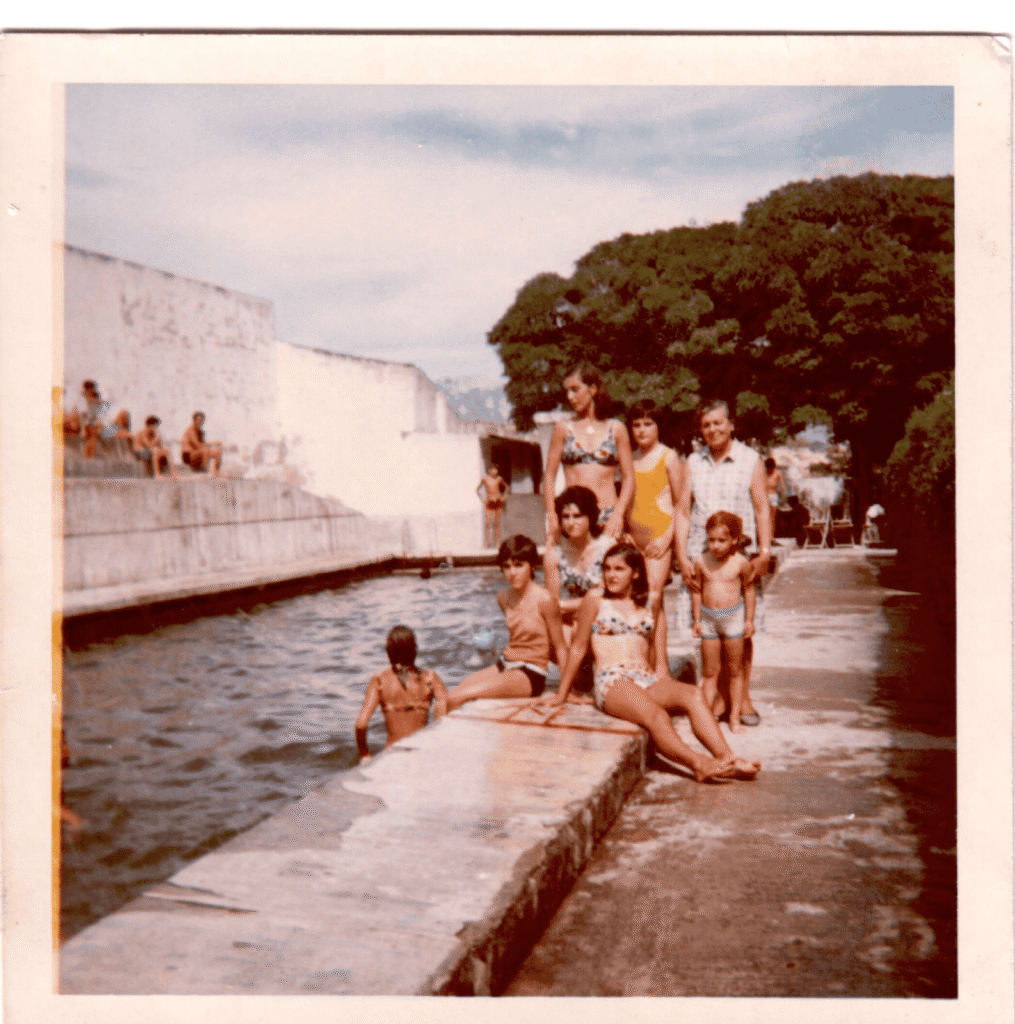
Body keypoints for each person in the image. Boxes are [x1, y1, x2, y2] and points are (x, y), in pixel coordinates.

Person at [533, 543, 760, 783]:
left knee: (693, 694)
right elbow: (578, 648)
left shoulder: (650, 601)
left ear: (636, 572)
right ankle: (699, 764)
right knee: (657, 715)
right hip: (611, 681)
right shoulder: (595, 600)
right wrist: (562, 692)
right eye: (607, 569)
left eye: (619, 569)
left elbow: (657, 647)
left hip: (645, 677)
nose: (611, 575)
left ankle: (728, 758)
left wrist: (662, 676)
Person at [675, 399, 771, 727]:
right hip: (703, 557)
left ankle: (742, 699)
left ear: (731, 424)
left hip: (739, 557)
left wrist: (765, 551)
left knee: (741, 630)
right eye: (706, 425)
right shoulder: (693, 462)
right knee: (709, 633)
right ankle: (716, 699)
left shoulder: (750, 460)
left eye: (718, 423)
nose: (712, 430)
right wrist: (681, 555)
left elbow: (761, 508)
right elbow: (684, 511)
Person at [446, 535, 570, 710]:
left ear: (533, 566)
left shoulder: (545, 600)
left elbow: (560, 647)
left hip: (530, 673)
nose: (512, 573)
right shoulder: (503, 598)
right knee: (448, 698)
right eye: (507, 566)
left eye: (519, 565)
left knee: (459, 698)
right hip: (504, 663)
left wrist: (565, 692)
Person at [543, 363, 635, 544]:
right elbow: (549, 477)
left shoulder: (616, 429)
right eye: (567, 391)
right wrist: (552, 516)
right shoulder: (563, 429)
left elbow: (629, 478)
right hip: (573, 517)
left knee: (611, 571)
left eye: (575, 389)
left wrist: (618, 514)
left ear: (592, 389)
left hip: (608, 516)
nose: (570, 397)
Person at [691, 511, 756, 733]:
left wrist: (749, 620)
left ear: (734, 540)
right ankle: (706, 718)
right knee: (710, 671)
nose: (716, 546)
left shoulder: (741, 563)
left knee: (735, 669)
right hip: (709, 620)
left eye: (721, 540)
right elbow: (697, 591)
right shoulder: (701, 562)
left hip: (733, 619)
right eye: (711, 540)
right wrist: (697, 619)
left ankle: (734, 717)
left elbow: (749, 590)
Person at [626, 400, 684, 648]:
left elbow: (681, 504)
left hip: (659, 538)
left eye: (648, 424)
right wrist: (626, 532)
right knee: (640, 602)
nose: (641, 430)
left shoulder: (668, 457)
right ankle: (658, 664)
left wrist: (667, 538)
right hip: (633, 539)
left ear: (658, 426)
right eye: (636, 425)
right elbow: (626, 498)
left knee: (652, 598)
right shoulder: (628, 458)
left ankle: (644, 656)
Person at [355, 625, 449, 760]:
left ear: (389, 652)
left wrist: (365, 755)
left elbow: (361, 725)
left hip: (391, 755)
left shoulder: (379, 681)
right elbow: (445, 715)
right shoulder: (430, 678)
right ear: (414, 650)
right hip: (422, 753)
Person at [477, 464, 510, 549]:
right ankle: (485, 544)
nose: (496, 471)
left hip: (498, 502)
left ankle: (497, 543)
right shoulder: (485, 479)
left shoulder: (499, 479)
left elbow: (507, 487)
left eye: (496, 469)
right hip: (489, 503)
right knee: (487, 523)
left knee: (497, 524)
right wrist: (482, 500)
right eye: (494, 469)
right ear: (489, 470)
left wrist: (503, 498)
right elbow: (477, 490)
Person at [180, 411, 222, 476]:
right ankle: (207, 471)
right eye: (199, 420)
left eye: (202, 420)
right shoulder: (191, 430)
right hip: (188, 455)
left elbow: (202, 443)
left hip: (197, 453)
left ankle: (216, 472)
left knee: (217, 451)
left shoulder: (200, 431)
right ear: (194, 420)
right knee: (205, 450)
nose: (200, 422)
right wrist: (210, 444)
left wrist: (214, 443)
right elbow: (197, 445)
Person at [77, 380, 107, 458]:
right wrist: (84, 427)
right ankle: (88, 457)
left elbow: (98, 414)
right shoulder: (83, 401)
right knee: (91, 439)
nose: (92, 391)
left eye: (92, 388)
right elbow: (82, 414)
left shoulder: (94, 400)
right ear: (87, 390)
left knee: (93, 439)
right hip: (86, 423)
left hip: (92, 423)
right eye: (90, 389)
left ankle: (90, 457)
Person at [764, 457, 786, 542]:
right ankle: (766, 537)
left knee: (772, 518)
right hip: (765, 495)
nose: (770, 470)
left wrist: (782, 497)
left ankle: (771, 537)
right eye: (769, 468)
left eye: (772, 468)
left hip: (774, 495)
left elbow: (782, 486)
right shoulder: (764, 473)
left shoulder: (777, 473)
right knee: (766, 517)